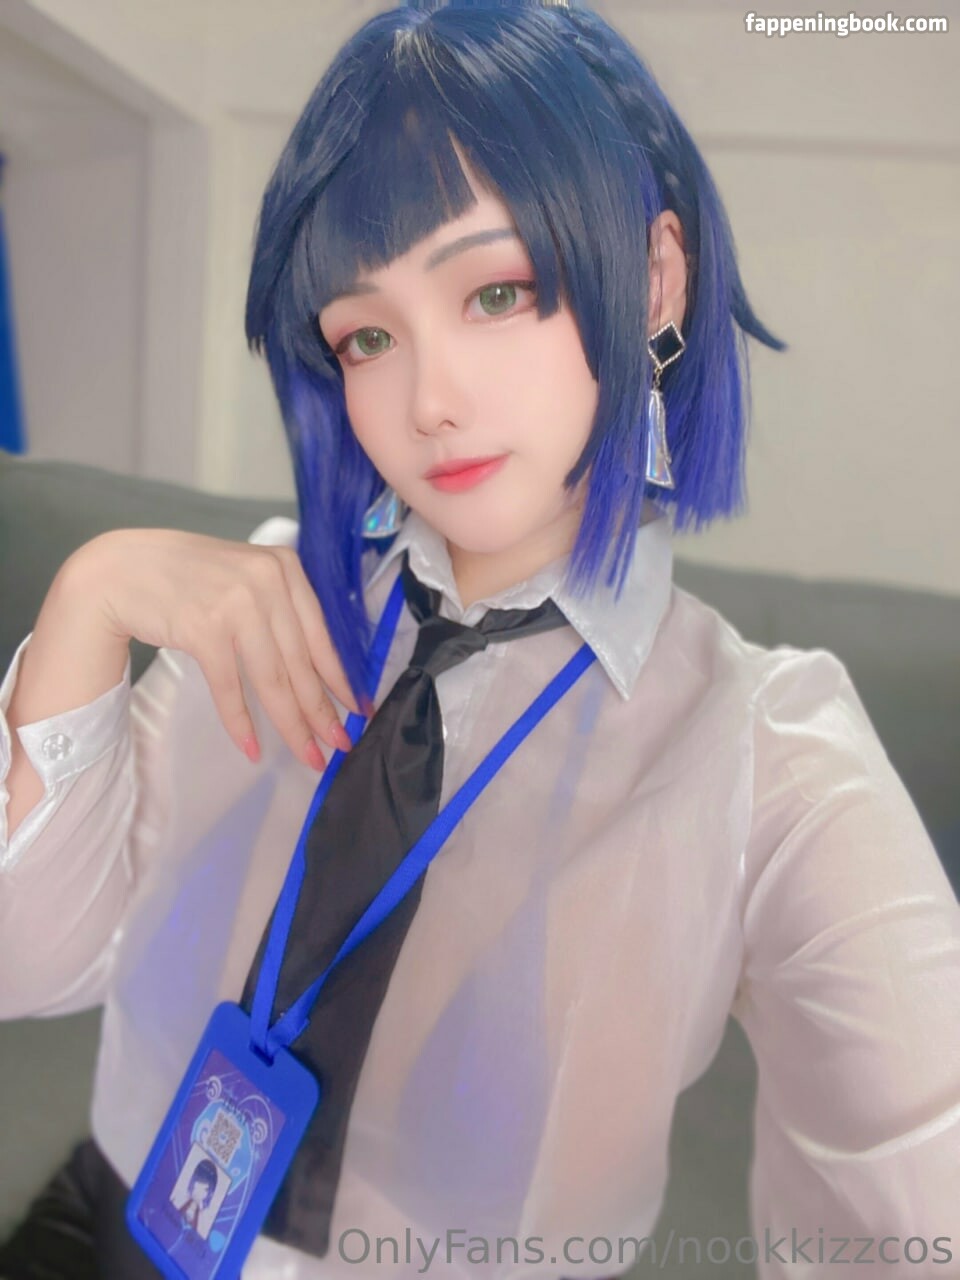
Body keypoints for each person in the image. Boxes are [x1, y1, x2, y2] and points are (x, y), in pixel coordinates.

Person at [0, 1, 958, 1277]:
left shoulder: (768, 756)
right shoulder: (267, 600)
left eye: (497, 291)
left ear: (655, 278)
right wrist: (92, 592)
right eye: (368, 335)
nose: (429, 399)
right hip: (109, 1229)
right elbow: (23, 960)